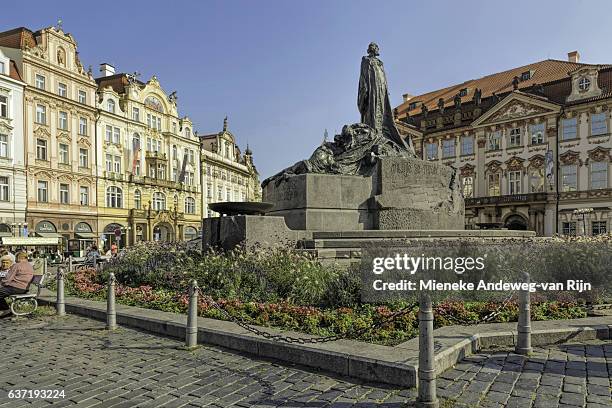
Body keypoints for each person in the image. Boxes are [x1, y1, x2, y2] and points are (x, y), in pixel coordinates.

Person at [0, 252, 34, 316]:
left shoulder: (17, 265)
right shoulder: (30, 266)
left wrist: (2, 284)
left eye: (16, 258)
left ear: (19, 258)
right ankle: (6, 309)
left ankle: (6, 310)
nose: (15, 260)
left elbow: (8, 278)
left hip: (16, 287)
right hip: (25, 288)